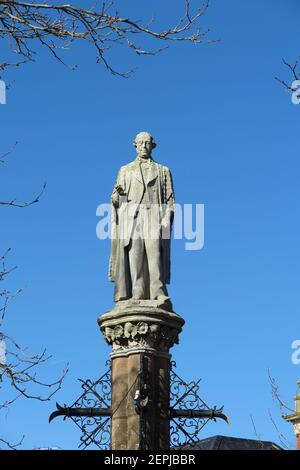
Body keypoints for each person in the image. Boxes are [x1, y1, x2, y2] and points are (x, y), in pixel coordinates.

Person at [109, 132, 175, 308]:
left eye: (147, 143)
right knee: (134, 258)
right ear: (135, 145)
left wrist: (167, 218)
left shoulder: (163, 171)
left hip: (154, 216)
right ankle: (136, 292)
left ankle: (159, 294)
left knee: (155, 256)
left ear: (152, 145)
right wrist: (117, 196)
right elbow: (116, 200)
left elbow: (170, 201)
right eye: (140, 143)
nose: (144, 146)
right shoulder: (125, 170)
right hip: (132, 217)